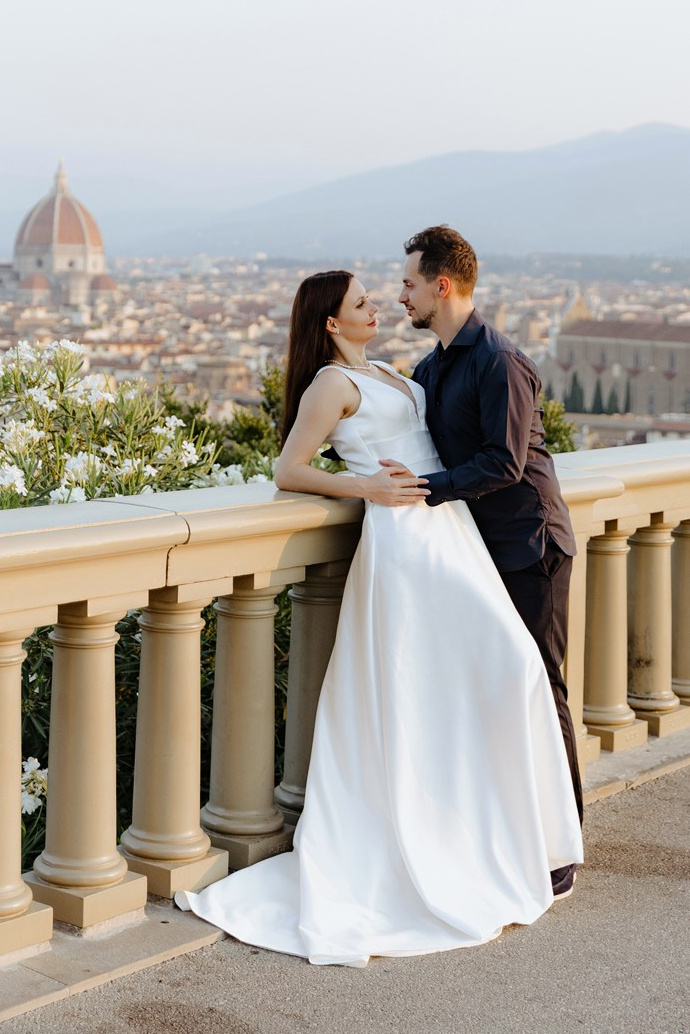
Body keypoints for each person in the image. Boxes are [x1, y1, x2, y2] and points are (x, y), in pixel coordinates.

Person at [176, 268, 582, 967]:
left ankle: (501, 833)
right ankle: (461, 838)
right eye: (362, 302)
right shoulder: (332, 384)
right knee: (472, 672)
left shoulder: (396, 370)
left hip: (444, 525)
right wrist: (361, 486)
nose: (380, 305)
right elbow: (288, 469)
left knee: (492, 672)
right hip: (403, 537)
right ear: (332, 324)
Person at [401, 224, 582, 899]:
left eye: (408, 284)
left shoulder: (499, 360)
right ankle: (511, 831)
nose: (401, 297)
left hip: (529, 545)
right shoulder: (431, 367)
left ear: (440, 285)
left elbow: (504, 463)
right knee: (495, 691)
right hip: (480, 552)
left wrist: (425, 490)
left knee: (540, 686)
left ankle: (563, 844)